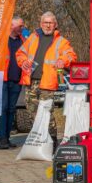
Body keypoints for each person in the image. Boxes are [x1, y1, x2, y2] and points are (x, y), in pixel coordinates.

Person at [16, 12, 77, 148]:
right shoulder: (33, 37)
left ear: (55, 25)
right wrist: (23, 61)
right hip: (31, 81)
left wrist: (63, 60)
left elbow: (71, 55)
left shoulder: (61, 41)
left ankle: (53, 141)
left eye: (50, 23)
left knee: (47, 112)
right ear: (41, 24)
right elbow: (20, 53)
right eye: (45, 22)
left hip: (48, 83)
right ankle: (40, 138)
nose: (48, 25)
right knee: (31, 110)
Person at [0, 16, 25, 149]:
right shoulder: (1, 39)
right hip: (2, 79)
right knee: (2, 108)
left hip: (17, 80)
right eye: (20, 26)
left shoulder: (23, 41)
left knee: (11, 109)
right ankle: (2, 138)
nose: (22, 28)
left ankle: (7, 138)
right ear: (12, 26)